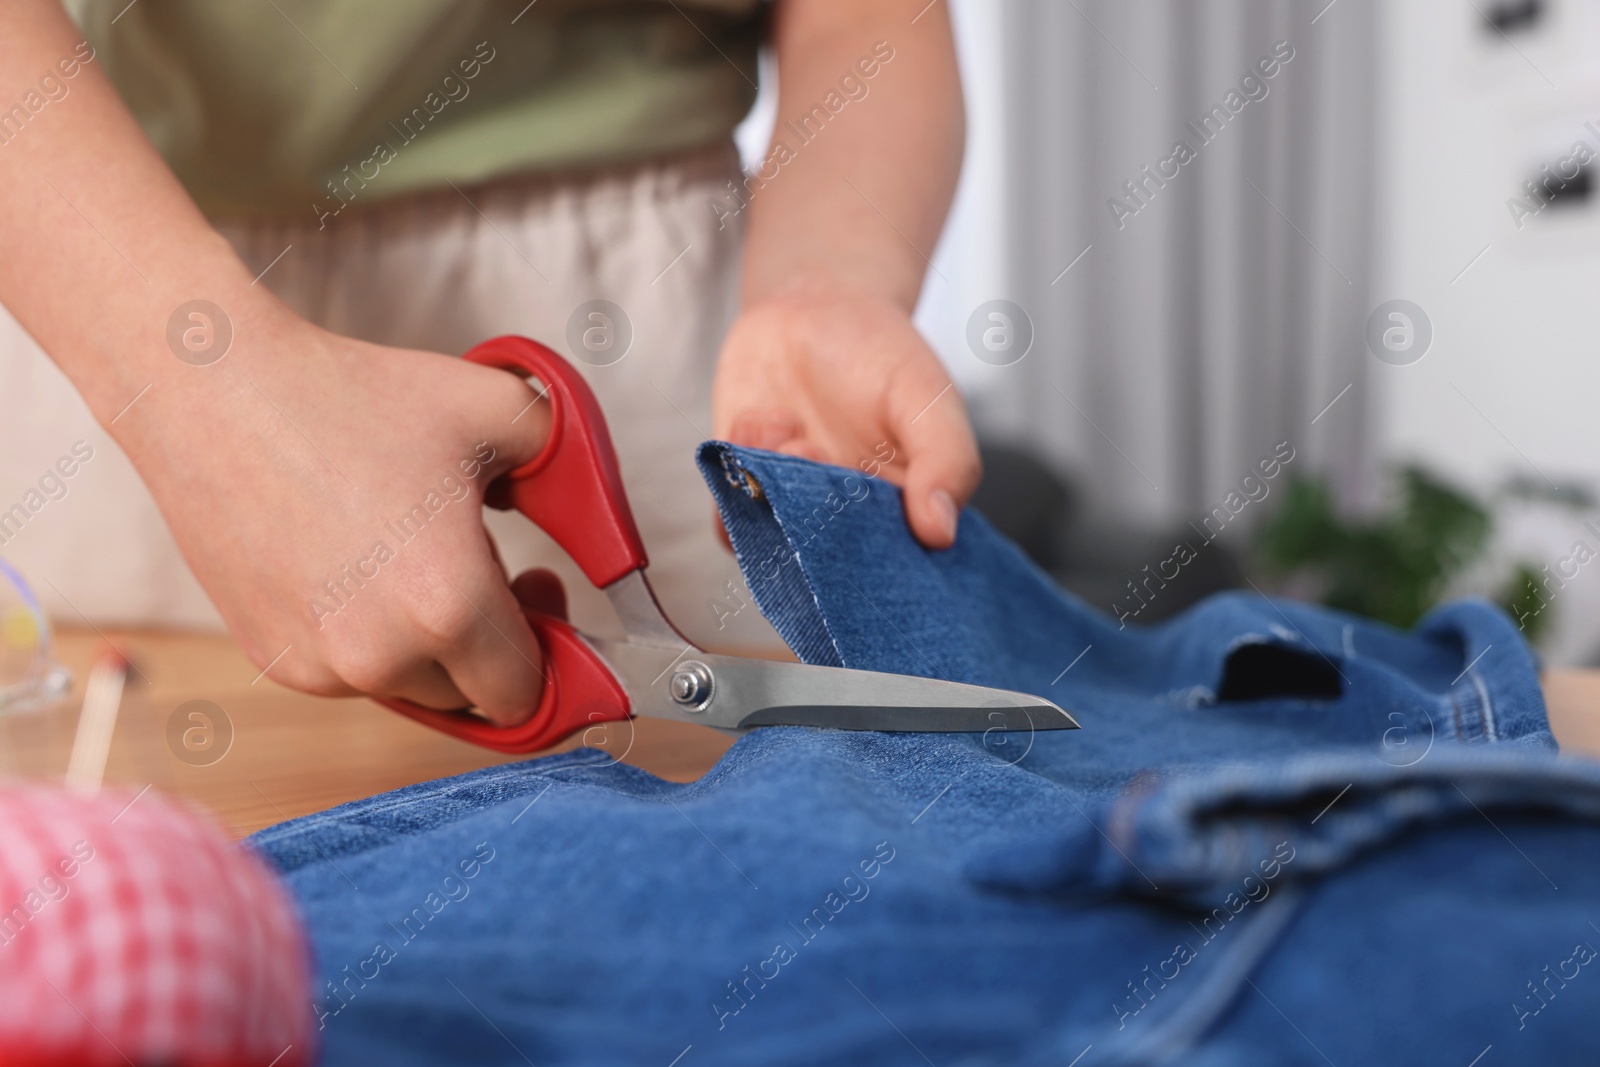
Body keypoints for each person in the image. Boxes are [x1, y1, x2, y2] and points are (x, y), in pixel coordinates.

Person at [0, 0, 978, 726]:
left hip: (681, 337)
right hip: (118, 281)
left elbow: (864, 17)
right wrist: (194, 392)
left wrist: (829, 282)